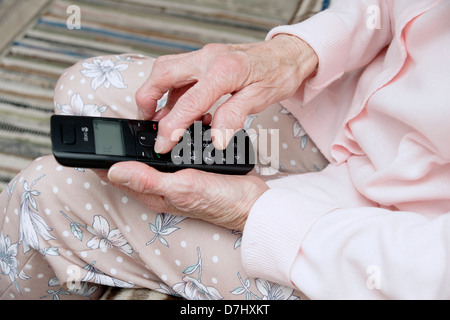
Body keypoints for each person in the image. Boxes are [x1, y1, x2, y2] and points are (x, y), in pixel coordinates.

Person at [1, 0, 449, 300]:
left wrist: (254, 212)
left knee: (42, 196)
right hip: (357, 121)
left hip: (379, 251)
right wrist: (293, 54)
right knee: (84, 90)